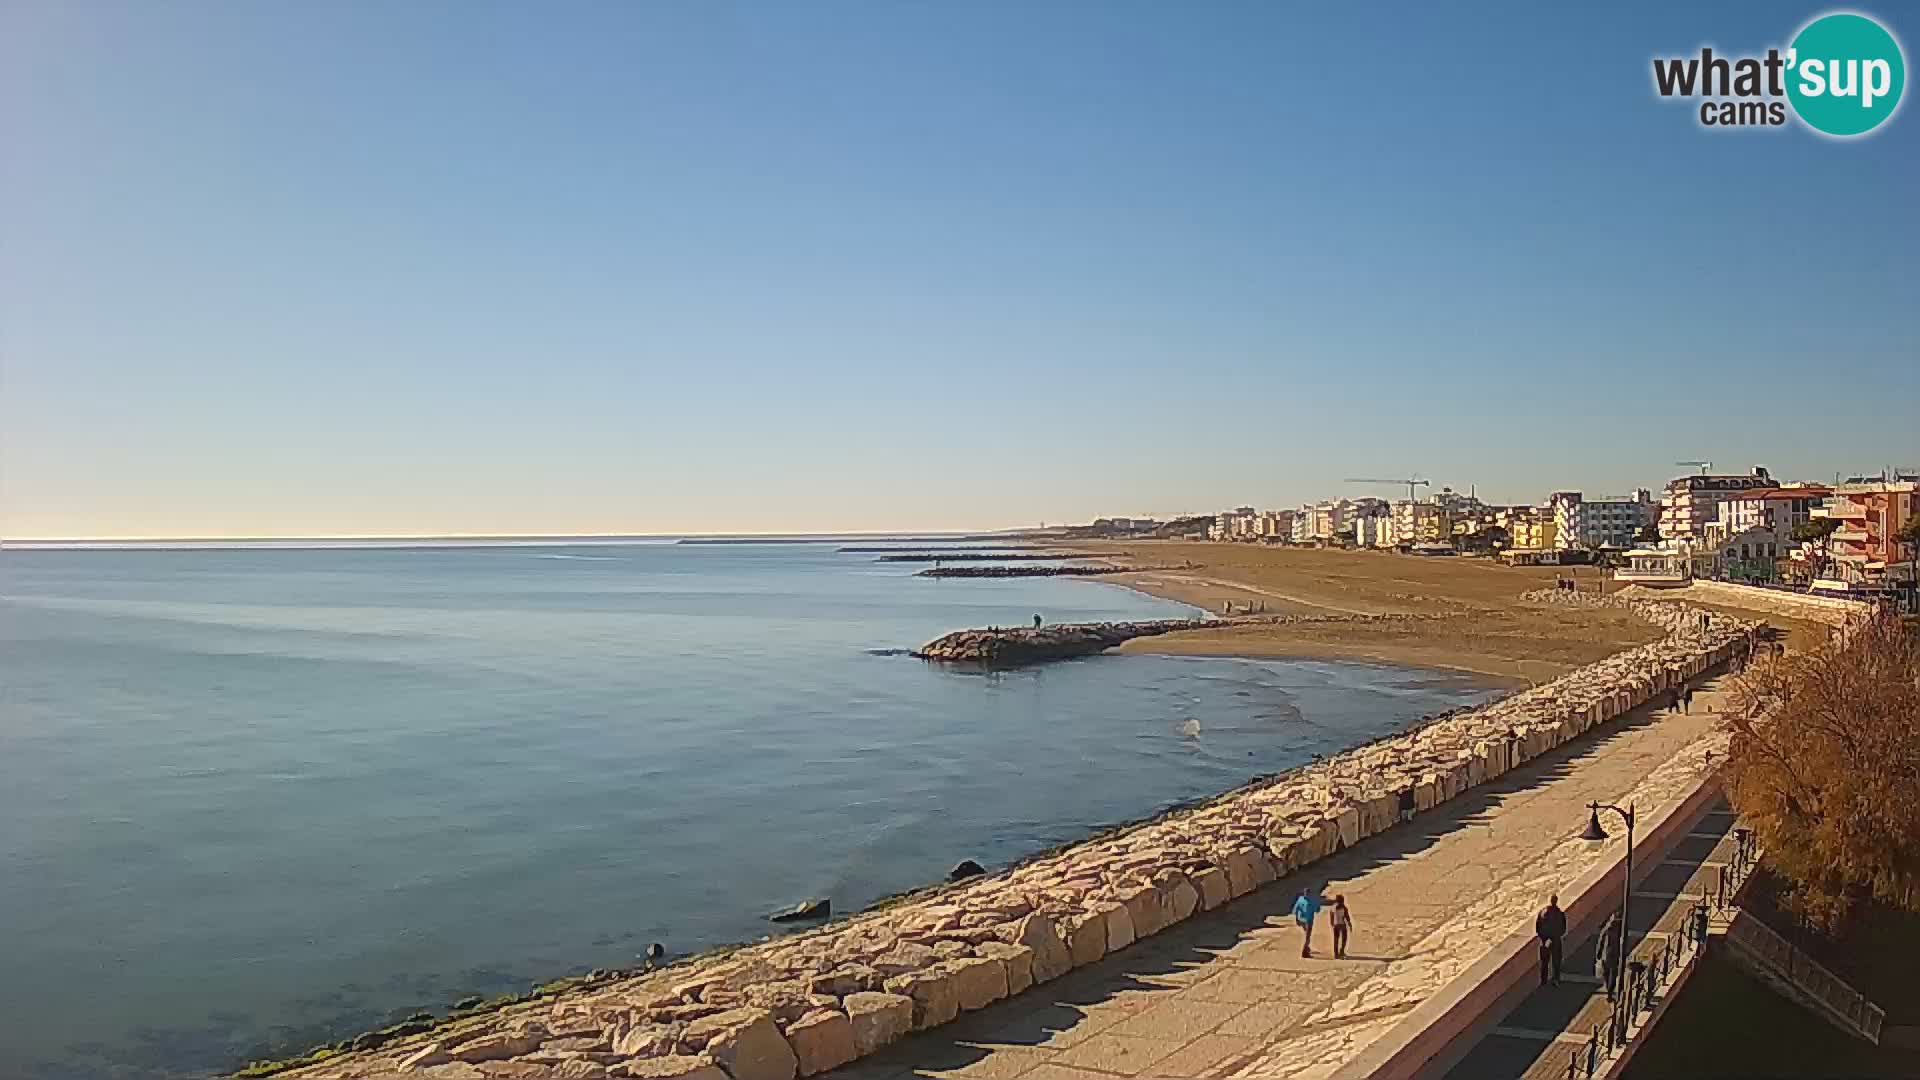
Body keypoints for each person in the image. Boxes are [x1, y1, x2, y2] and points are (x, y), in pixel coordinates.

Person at [1535, 894, 1566, 986]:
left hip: (1545, 941)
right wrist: (1556, 936)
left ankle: (1543, 981)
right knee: (1556, 961)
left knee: (1544, 962)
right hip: (1556, 940)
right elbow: (1563, 928)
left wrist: (1543, 938)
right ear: (1556, 901)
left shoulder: (1542, 913)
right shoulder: (1560, 913)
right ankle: (1556, 979)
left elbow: (1538, 927)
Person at [1596, 910, 1622, 1003]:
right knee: (1613, 975)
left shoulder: (1606, 928)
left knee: (1606, 974)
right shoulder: (1620, 929)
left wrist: (1598, 953)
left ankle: (1609, 991)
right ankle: (1610, 993)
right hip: (1614, 955)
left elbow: (1600, 941)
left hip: (1605, 956)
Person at [1293, 888, 1326, 958]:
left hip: (1301, 919)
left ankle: (1307, 948)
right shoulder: (1312, 900)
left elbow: (1295, 910)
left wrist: (1296, 920)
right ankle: (1304, 952)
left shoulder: (1300, 899)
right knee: (1307, 936)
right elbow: (1317, 910)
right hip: (1308, 921)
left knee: (1306, 934)